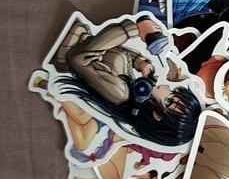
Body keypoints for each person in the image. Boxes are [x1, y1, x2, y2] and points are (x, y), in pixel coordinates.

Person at [50, 16, 202, 148]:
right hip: (72, 29)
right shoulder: (133, 91)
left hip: (62, 42)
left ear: (157, 115)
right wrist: (139, 62)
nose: (168, 88)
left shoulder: (120, 93)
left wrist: (134, 30)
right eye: (174, 92)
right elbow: (112, 50)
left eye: (170, 100)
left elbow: (78, 60)